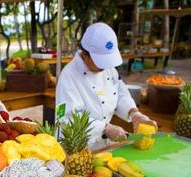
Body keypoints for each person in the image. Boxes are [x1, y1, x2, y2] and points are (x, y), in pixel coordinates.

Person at [56, 22, 157, 150]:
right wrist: (104, 128)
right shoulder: (68, 76)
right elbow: (67, 120)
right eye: (100, 62)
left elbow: (120, 93)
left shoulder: (108, 69)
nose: (104, 67)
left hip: (101, 146)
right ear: (85, 54)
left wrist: (135, 114)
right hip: (74, 149)